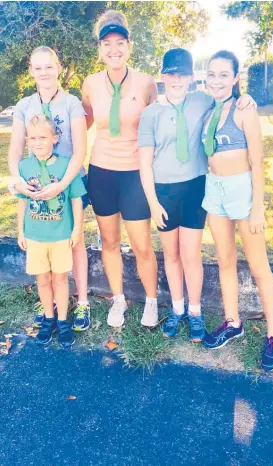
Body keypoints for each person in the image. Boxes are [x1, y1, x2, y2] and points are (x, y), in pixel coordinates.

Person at [138, 48, 255, 342]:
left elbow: (228, 99)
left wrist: (245, 98)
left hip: (194, 187)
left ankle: (194, 311)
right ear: (163, 76)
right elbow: (144, 163)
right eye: (171, 73)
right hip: (164, 191)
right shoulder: (151, 113)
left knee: (191, 254)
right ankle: (177, 309)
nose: (177, 79)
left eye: (183, 74)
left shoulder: (202, 101)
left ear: (192, 78)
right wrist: (152, 202)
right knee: (172, 254)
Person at [82, 10, 158, 328]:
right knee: (109, 241)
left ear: (129, 46)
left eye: (120, 42)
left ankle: (152, 301)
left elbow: (160, 126)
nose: (114, 49)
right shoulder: (90, 84)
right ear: (100, 49)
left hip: (135, 175)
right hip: (101, 172)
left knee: (141, 244)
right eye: (107, 43)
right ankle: (118, 300)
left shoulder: (146, 83)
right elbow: (82, 125)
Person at [201, 50, 273, 372]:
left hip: (242, 191)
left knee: (259, 266)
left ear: (234, 78)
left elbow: (257, 161)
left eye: (223, 75)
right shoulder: (208, 111)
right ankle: (233, 322)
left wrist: (257, 207)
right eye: (211, 74)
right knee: (225, 260)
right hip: (214, 189)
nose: (216, 80)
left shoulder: (244, 110)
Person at [8, 46, 91, 332]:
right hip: (35, 182)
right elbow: (15, 149)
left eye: (49, 66)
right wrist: (16, 179)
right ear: (31, 71)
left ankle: (81, 304)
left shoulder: (71, 103)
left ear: (59, 67)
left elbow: (81, 149)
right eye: (37, 67)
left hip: (67, 179)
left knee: (73, 240)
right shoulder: (24, 105)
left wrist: (62, 186)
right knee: (47, 245)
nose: (44, 72)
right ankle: (51, 304)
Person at [17, 115, 87, 347]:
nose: (38, 143)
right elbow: (22, 201)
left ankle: (64, 320)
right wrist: (20, 231)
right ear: (27, 140)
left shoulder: (67, 165)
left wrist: (76, 229)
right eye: (33, 138)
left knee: (60, 279)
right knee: (43, 280)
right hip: (35, 236)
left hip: (60, 235)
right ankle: (49, 318)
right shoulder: (24, 167)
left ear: (55, 139)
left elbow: (76, 198)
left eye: (43, 137)